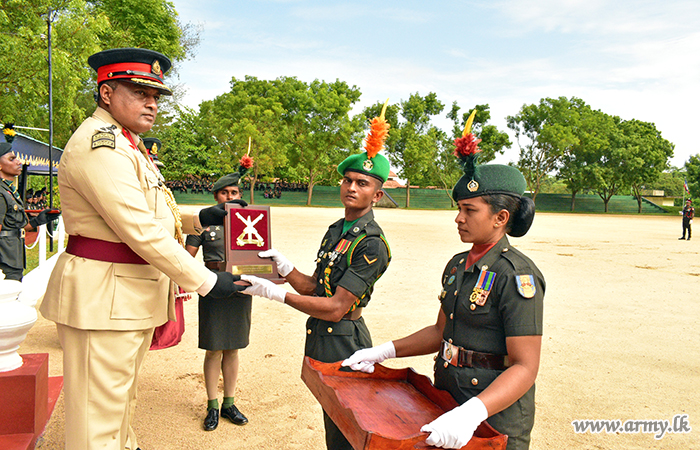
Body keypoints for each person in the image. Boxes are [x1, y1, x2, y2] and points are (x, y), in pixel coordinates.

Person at [39, 48, 244, 450]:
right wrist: (205, 280)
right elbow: (139, 230)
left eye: (156, 96)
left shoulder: (127, 145)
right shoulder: (102, 146)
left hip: (122, 296)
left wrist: (203, 218)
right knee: (96, 420)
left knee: (120, 404)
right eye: (139, 92)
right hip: (104, 297)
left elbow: (156, 214)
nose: (151, 103)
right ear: (106, 94)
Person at [342, 113, 545, 450]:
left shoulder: (516, 275)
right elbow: (440, 333)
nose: (458, 218)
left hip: (492, 418)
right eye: (459, 208)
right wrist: (383, 352)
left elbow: (525, 366)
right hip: (448, 398)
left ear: (501, 218)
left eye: (469, 210)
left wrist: (472, 412)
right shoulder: (457, 265)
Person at [241, 103, 393, 450]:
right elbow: (316, 286)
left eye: (362, 183)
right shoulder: (338, 229)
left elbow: (337, 306)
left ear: (377, 194)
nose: (352, 187)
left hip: (345, 340)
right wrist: (285, 269)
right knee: (332, 424)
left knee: (348, 431)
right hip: (324, 336)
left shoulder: (371, 243)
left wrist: (275, 294)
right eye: (348, 180)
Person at [185, 160, 254, 431]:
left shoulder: (250, 220)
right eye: (224, 193)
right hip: (212, 284)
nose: (230, 197)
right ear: (216, 196)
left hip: (239, 284)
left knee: (233, 348)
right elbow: (186, 257)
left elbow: (259, 252)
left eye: (234, 193)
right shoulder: (205, 219)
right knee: (214, 349)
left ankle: (229, 403)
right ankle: (212, 405)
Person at [0, 142, 60, 280]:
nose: (18, 162)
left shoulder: (9, 191)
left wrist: (39, 220)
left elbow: (16, 226)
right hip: (4, 260)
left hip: (13, 257)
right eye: (11, 159)